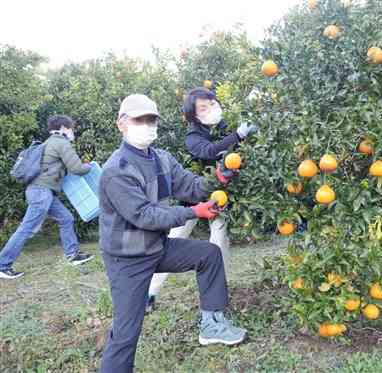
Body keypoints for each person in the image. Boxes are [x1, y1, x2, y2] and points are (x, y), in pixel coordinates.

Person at [99, 94, 246, 373]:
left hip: (157, 247)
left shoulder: (161, 159)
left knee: (208, 254)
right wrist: (194, 213)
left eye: (151, 119)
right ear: (122, 124)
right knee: (127, 332)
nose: (147, 124)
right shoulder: (116, 170)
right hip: (128, 259)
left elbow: (190, 186)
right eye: (139, 119)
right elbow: (144, 215)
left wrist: (220, 177)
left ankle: (211, 324)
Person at [146, 87, 257, 312]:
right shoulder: (193, 137)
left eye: (212, 103)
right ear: (194, 115)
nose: (210, 109)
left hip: (220, 195)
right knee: (177, 236)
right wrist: (238, 135)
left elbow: (233, 148)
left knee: (219, 237)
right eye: (203, 108)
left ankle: (219, 287)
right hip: (193, 198)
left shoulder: (222, 127)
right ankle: (149, 292)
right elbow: (209, 151)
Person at [0, 115, 94, 280]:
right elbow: (77, 168)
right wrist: (90, 166)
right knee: (27, 228)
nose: (73, 132)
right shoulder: (61, 143)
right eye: (71, 128)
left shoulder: (48, 142)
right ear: (64, 128)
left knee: (66, 218)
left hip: (42, 191)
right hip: (41, 193)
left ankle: (72, 255)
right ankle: (3, 265)